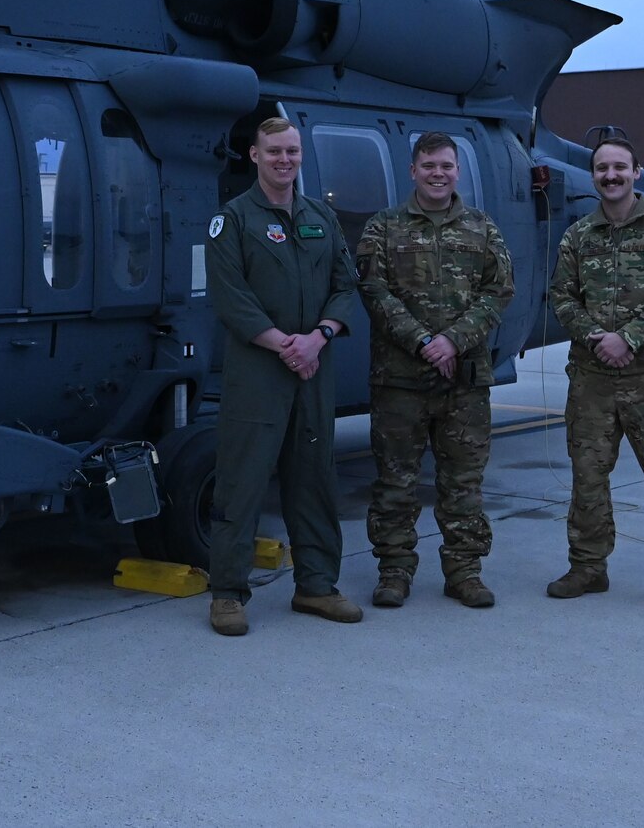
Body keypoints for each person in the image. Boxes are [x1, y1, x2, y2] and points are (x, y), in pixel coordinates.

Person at [203, 117, 364, 636]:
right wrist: (284, 345)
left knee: (314, 479)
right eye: (274, 151)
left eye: (292, 151)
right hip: (258, 372)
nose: (284, 160)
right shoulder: (233, 222)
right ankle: (228, 592)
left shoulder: (322, 217)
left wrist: (317, 337)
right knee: (243, 480)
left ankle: (317, 585)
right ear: (254, 156)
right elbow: (232, 299)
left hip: (314, 368)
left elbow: (345, 285)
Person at [546, 135, 644, 609]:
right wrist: (601, 340)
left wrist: (629, 339)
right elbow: (562, 297)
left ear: (637, 172)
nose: (611, 176)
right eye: (602, 169)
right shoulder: (579, 235)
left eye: (620, 167)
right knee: (588, 478)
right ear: (593, 176)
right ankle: (588, 567)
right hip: (592, 379)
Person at [355, 131, 514, 609]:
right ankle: (394, 571)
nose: (438, 174)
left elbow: (498, 292)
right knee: (395, 482)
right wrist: (423, 341)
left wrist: (453, 340)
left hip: (463, 382)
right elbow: (374, 292)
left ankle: (464, 572)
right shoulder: (382, 228)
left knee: (462, 483)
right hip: (399, 382)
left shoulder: (483, 228)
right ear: (413, 171)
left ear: (457, 171)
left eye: (446, 166)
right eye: (429, 166)